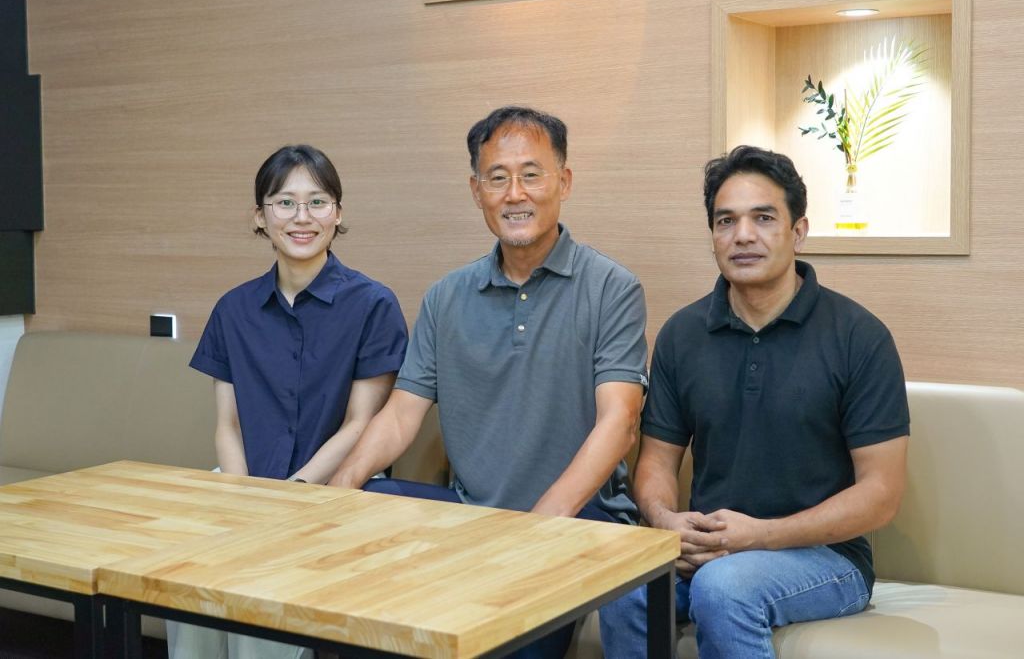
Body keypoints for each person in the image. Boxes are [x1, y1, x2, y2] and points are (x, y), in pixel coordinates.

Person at [330, 106, 648, 657]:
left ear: (564, 182)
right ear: (477, 191)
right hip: (471, 514)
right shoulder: (445, 296)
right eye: (497, 177)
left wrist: (534, 531)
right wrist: (342, 486)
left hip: (578, 521)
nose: (514, 194)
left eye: (532, 174)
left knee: (505, 638)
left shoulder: (611, 287)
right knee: (365, 514)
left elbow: (619, 423)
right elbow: (402, 414)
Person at [600, 145, 910, 659]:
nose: (743, 235)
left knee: (723, 587)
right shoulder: (682, 334)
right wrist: (666, 521)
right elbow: (656, 461)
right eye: (726, 221)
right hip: (711, 551)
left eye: (763, 218)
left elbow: (882, 493)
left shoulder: (859, 336)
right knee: (619, 581)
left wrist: (759, 536)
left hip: (827, 559)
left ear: (798, 231)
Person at [170, 144, 408, 659]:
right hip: (242, 484)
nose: (302, 217)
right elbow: (228, 426)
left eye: (317, 202)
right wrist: (244, 497)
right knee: (183, 578)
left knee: (262, 597)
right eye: (284, 203)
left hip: (335, 491)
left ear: (337, 213)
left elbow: (360, 424)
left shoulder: (373, 304)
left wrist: (292, 495)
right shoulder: (233, 308)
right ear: (260, 217)